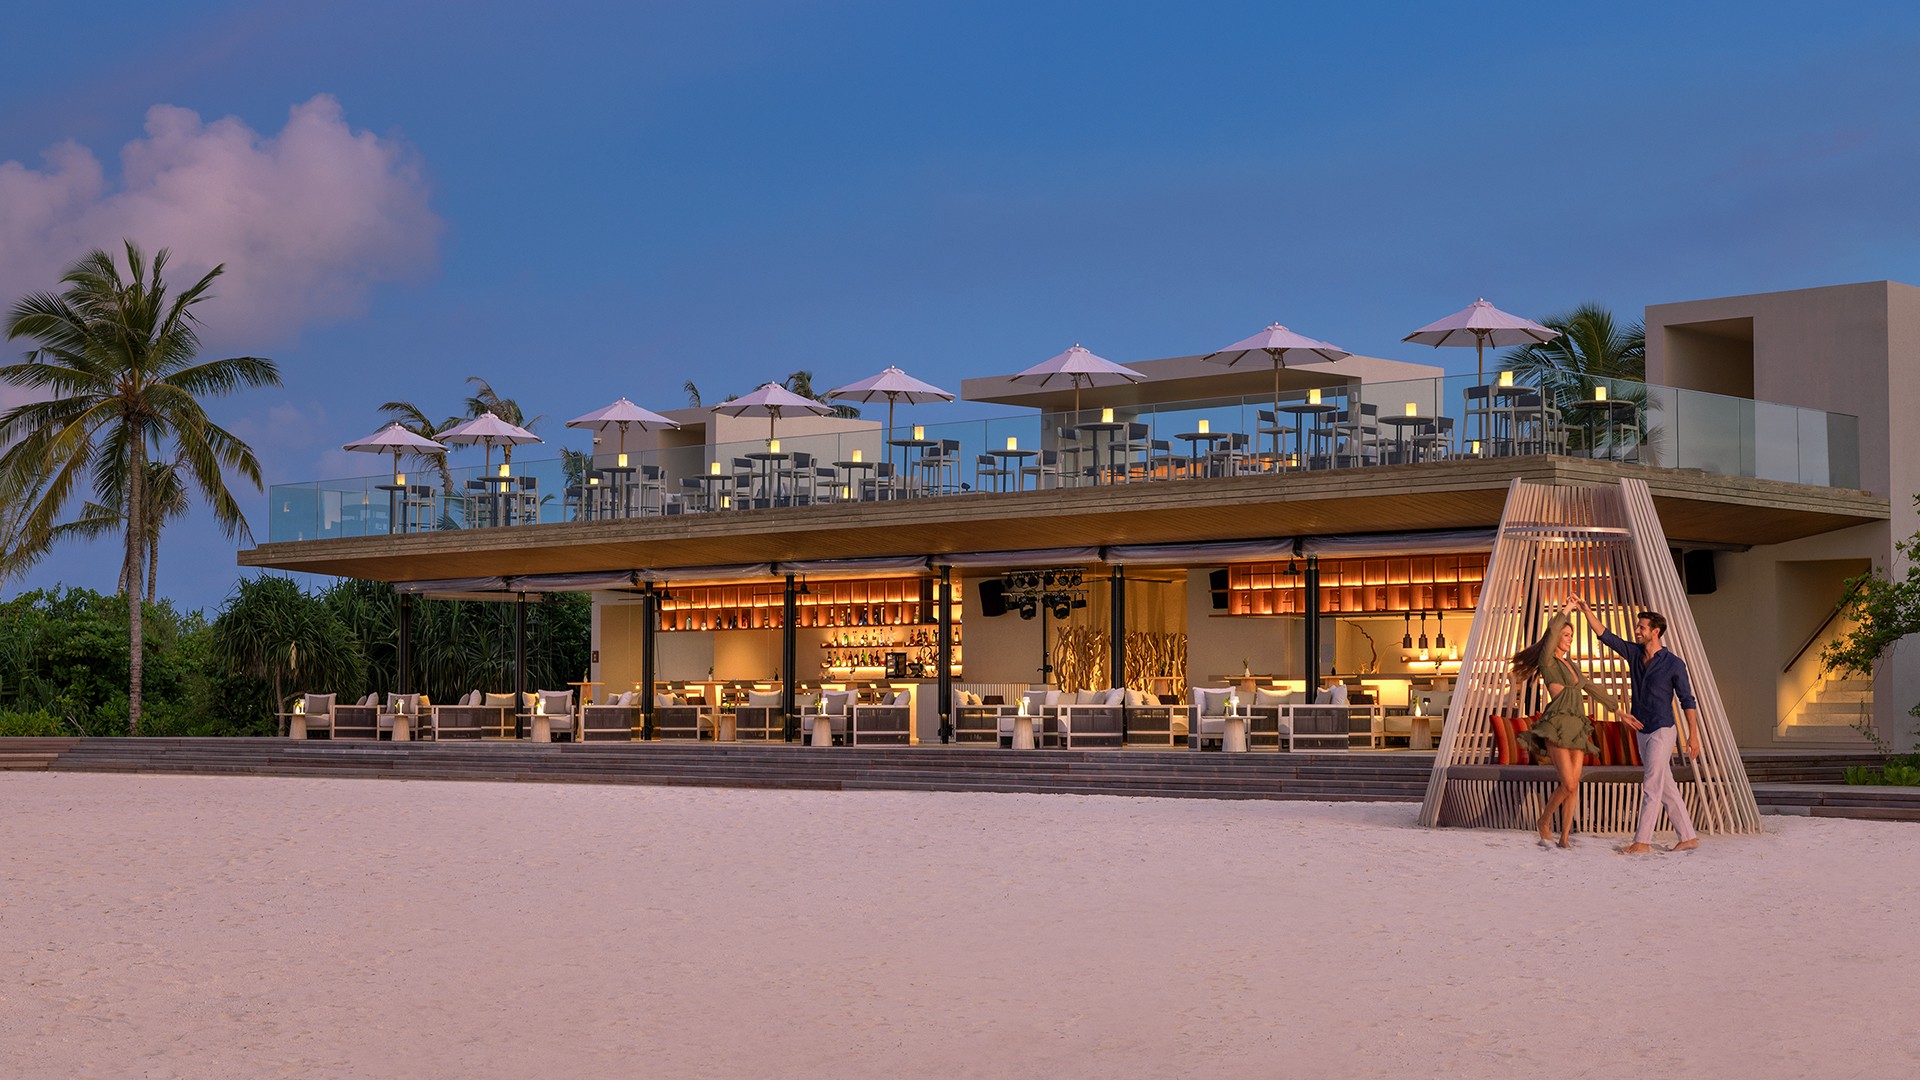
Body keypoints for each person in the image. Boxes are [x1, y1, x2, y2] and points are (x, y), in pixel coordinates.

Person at [1572, 598, 1701, 854]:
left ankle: (1642, 842)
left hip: (1663, 729)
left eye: (1642, 627)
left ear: (1656, 631)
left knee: (1651, 783)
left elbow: (1687, 700)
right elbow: (1606, 636)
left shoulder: (1674, 664)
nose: (1637, 630)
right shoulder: (1634, 653)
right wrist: (1586, 611)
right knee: (1665, 785)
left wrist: (1693, 736)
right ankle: (1688, 837)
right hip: (1642, 729)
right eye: (1637, 626)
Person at [1511, 606, 1623, 848]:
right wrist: (1567, 609)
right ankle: (1544, 821)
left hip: (1577, 725)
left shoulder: (1572, 665)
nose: (1570, 638)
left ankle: (1564, 838)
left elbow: (1591, 687)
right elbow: (1552, 631)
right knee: (1569, 783)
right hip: (1557, 724)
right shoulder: (1547, 661)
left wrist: (1618, 710)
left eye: (1571, 635)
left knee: (1573, 786)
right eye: (1566, 634)